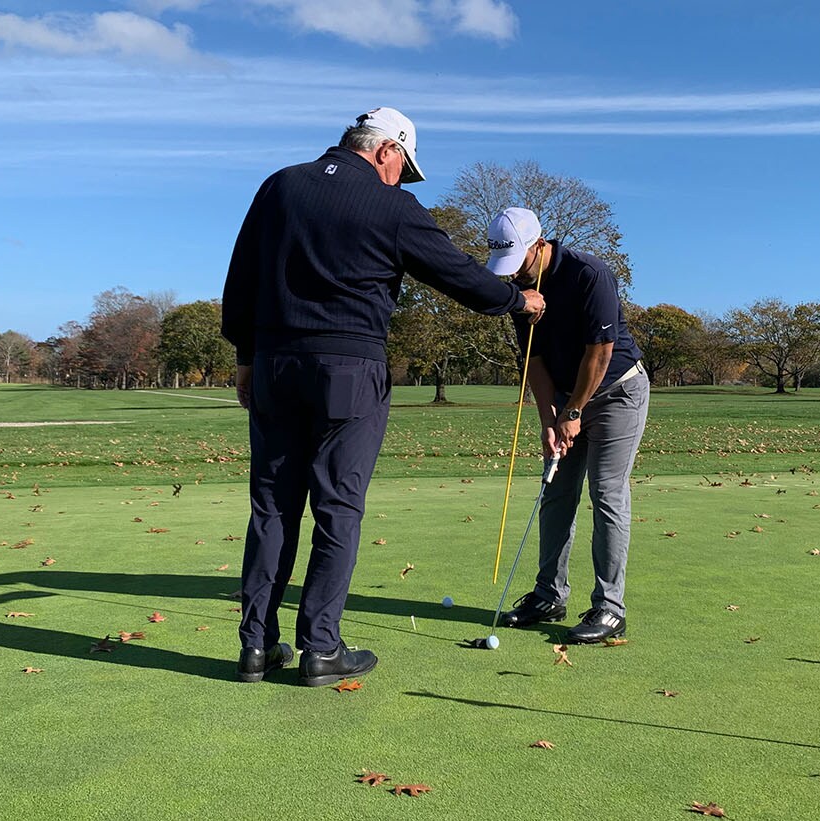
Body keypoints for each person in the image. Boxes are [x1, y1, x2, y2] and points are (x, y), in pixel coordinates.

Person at [221, 108, 546, 686]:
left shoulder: (280, 185)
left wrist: (245, 358)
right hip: (350, 368)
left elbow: (241, 277)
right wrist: (517, 302)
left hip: (274, 363)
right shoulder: (392, 205)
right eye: (405, 168)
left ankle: (255, 647)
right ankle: (320, 648)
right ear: (387, 150)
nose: (403, 179)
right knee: (337, 507)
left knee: (272, 507)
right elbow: (458, 275)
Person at [489, 208, 649, 644]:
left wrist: (574, 412)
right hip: (563, 398)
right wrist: (548, 420)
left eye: (519, 262)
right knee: (557, 491)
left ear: (539, 246)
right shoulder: (521, 294)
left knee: (606, 492)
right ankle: (548, 595)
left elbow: (600, 350)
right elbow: (534, 362)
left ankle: (610, 607)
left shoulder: (589, 273)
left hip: (618, 390)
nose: (514, 274)